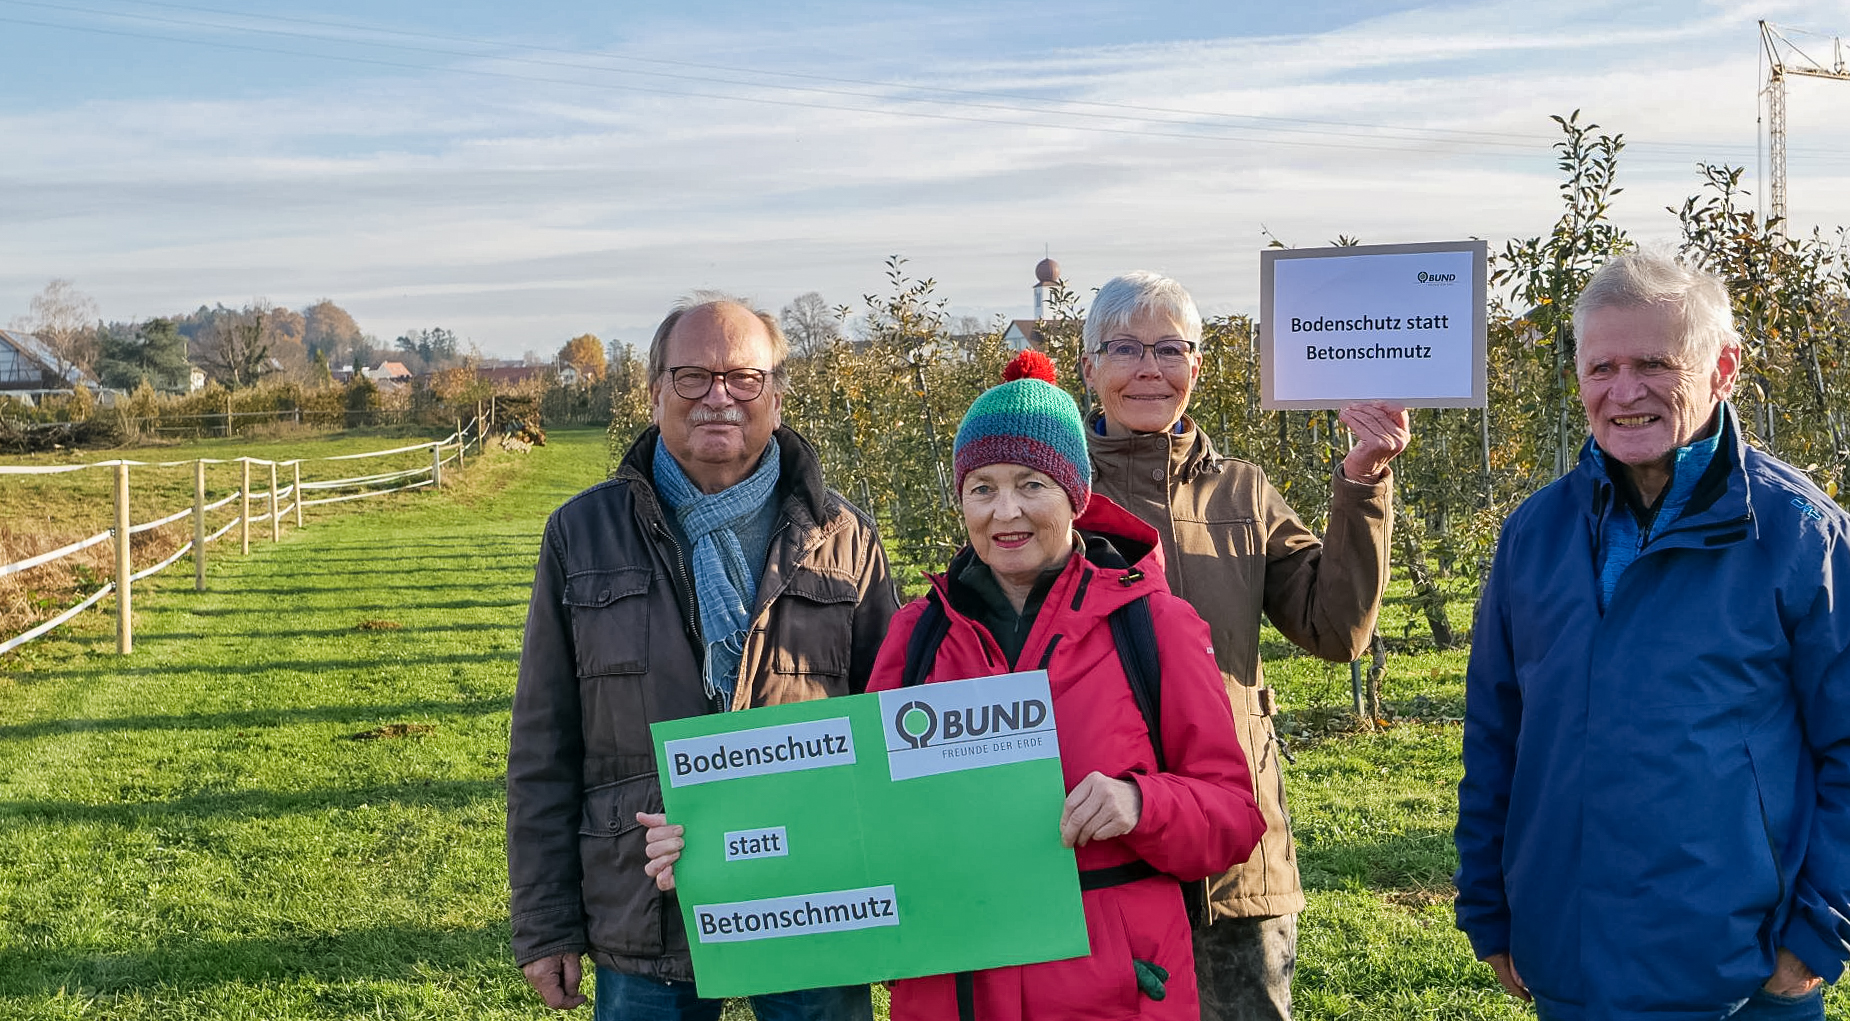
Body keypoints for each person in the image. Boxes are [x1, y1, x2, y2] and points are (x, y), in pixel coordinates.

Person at [647, 351, 1266, 1019]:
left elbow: (1233, 817)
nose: (1007, 511)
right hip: (956, 990)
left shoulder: (1151, 627)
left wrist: (1144, 802)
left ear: (1075, 494)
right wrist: (716, 841)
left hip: (1112, 991)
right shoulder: (918, 637)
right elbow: (855, 818)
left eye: (1032, 483)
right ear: (961, 499)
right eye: (983, 487)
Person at [1454, 251, 1850, 1020]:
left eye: (1655, 363)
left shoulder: (1801, 538)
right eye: (1602, 366)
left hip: (1741, 981)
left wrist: (1819, 934)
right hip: (1570, 968)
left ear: (1723, 366)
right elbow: (1495, 734)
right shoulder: (1534, 535)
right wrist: (1490, 907)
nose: (1624, 392)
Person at [507, 293, 899, 1020]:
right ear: (655, 393)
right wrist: (546, 921)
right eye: (693, 376)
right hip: (647, 905)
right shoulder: (582, 536)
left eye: (744, 378)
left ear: (775, 397)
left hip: (809, 900)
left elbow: (889, 728)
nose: (719, 396)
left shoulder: (844, 538)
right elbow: (543, 743)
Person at [1079, 271, 1409, 1021]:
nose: (1148, 369)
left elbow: (1336, 627)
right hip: (1103, 837)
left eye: (1170, 348)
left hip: (1236, 841)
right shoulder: (1053, 493)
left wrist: (1362, 481)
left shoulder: (1241, 492)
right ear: (1089, 364)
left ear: (1197, 366)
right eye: (1125, 348)